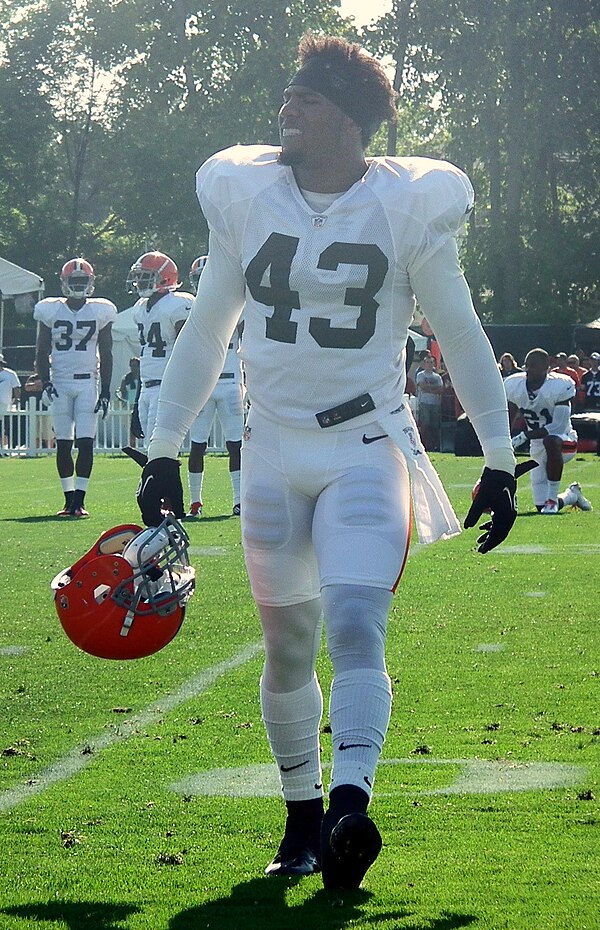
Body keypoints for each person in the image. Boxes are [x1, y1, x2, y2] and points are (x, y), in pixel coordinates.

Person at [136, 34, 518, 890]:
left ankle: (350, 805)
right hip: (270, 446)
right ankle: (302, 817)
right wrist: (166, 445)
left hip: (365, 445)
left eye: (304, 101)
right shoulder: (246, 193)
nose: (285, 112)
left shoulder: (405, 207)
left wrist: (497, 456)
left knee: (353, 625)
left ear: (346, 120)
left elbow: (460, 331)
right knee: (286, 645)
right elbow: (209, 328)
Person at [33, 258, 116, 516]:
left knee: (86, 442)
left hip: (86, 383)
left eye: (82, 281)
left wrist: (105, 392)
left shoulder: (100, 311)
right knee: (64, 443)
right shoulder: (50, 310)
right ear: (65, 283)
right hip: (59, 382)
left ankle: (80, 500)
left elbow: (107, 352)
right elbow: (41, 349)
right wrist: (45, 381)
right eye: (74, 281)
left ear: (90, 282)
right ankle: (68, 499)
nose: (78, 285)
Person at [185, 256, 245, 518]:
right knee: (197, 445)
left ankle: (238, 499)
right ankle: (195, 501)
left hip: (231, 381)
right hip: (205, 383)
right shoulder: (187, 307)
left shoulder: (238, 306)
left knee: (236, 445)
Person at [505, 348, 592, 514]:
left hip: (564, 440)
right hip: (537, 446)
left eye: (535, 366)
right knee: (540, 507)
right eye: (528, 366)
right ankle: (572, 495)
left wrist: (524, 435)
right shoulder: (515, 385)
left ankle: (552, 500)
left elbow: (557, 427)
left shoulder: (559, 385)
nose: (530, 370)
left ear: (547, 367)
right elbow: (510, 414)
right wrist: (506, 439)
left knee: (551, 439)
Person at [127, 252, 193, 444]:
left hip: (167, 385)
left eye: (145, 276)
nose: (139, 281)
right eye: (138, 276)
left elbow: (187, 349)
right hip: (148, 385)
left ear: (164, 279)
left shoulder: (177, 303)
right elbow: (145, 354)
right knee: (150, 447)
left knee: (161, 447)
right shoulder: (140, 308)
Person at [415, 354, 444, 451]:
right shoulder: (420, 375)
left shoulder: (437, 377)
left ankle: (435, 445)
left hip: (435, 404)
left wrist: (429, 389)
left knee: (435, 425)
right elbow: (422, 386)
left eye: (431, 362)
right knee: (425, 424)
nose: (429, 364)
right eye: (427, 362)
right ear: (424, 364)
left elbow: (441, 389)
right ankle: (424, 445)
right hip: (424, 403)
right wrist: (433, 389)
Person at [0, 352, 21, 452]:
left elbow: (16, 388)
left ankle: (5, 449)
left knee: (5, 428)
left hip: (5, 405)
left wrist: (16, 400)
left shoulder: (10, 374)